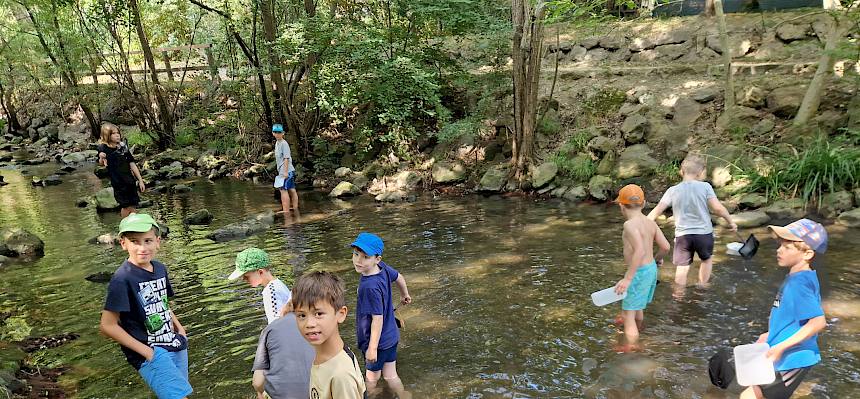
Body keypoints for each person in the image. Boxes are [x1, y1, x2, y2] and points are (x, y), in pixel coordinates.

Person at [99, 213, 192, 399]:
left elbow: (163, 303)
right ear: (123, 243)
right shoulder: (122, 279)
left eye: (148, 240)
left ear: (158, 242)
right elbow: (107, 326)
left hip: (173, 341)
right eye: (135, 241)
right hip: (148, 350)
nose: (142, 247)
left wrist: (180, 329)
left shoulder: (159, 269)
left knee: (181, 393)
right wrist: (148, 353)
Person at [740, 219, 828, 399]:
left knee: (748, 396)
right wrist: (770, 334)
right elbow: (792, 316)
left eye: (787, 247)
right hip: (786, 354)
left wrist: (781, 346)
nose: (779, 250)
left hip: (793, 359)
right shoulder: (800, 277)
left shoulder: (799, 283)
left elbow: (818, 322)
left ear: (807, 254)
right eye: (780, 245)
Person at [647, 153, 736, 286]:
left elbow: (657, 211)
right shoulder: (705, 187)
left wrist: (642, 224)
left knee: (682, 267)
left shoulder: (673, 190)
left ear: (681, 171)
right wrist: (730, 221)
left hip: (683, 236)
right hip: (704, 234)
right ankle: (702, 286)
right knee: (706, 260)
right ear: (700, 173)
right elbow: (718, 209)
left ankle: (678, 294)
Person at [350, 232, 412, 397]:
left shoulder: (368, 287)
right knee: (391, 375)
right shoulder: (382, 268)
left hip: (377, 342)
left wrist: (372, 348)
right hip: (391, 336)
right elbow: (399, 277)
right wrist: (404, 294)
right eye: (356, 254)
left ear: (377, 259)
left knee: (371, 379)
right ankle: (404, 394)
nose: (358, 260)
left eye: (365, 257)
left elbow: (377, 319)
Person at [291, 271, 366, 399]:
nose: (309, 324)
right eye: (302, 315)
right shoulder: (326, 355)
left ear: (341, 314)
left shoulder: (341, 375)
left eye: (318, 314)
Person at [613, 184, 671, 351]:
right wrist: (656, 260)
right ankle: (639, 328)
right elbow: (666, 247)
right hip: (650, 269)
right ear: (644, 203)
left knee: (627, 315)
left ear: (621, 206)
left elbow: (639, 250)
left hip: (637, 272)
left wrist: (628, 278)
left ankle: (631, 346)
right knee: (637, 306)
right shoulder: (649, 222)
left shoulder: (629, 225)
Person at [251, 313, 316, 399]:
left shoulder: (269, 329)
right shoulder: (317, 325)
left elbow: (258, 383)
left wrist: (259, 392)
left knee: (260, 392)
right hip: (318, 392)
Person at [228, 247, 292, 324]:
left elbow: (275, 325)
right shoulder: (277, 284)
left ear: (260, 272)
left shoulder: (271, 291)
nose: (243, 279)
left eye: (246, 276)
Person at [97, 122, 145, 218]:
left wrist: (140, 180)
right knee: (125, 206)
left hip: (130, 180)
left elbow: (132, 163)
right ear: (107, 135)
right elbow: (101, 162)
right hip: (118, 182)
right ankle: (126, 225)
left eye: (118, 133)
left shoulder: (123, 147)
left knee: (133, 204)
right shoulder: (104, 147)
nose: (117, 135)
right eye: (113, 133)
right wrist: (102, 157)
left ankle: (134, 225)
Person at [273, 124, 299, 214]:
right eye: (275, 132)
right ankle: (295, 209)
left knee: (283, 190)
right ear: (273, 133)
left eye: (279, 132)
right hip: (284, 170)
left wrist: (285, 172)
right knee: (291, 189)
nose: (277, 134)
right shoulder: (277, 143)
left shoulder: (284, 144)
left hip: (286, 170)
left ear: (283, 133)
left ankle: (286, 212)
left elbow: (286, 158)